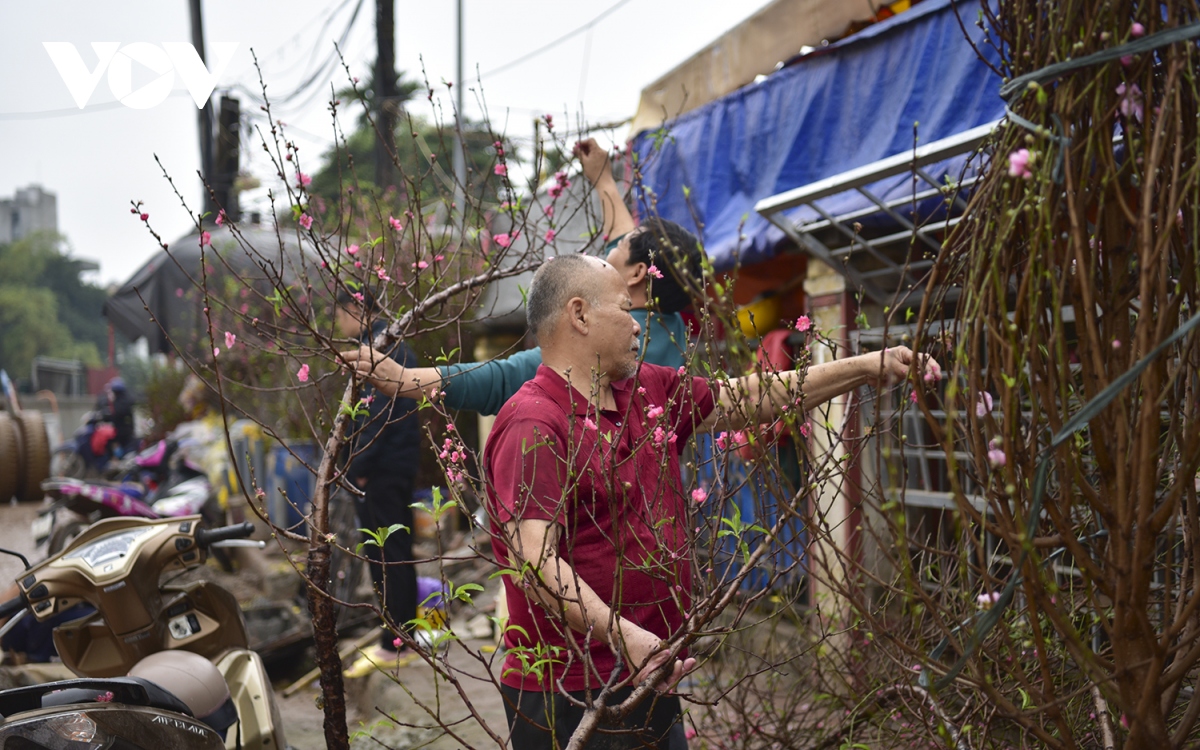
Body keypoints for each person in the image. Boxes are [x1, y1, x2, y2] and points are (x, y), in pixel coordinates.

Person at [346, 254, 939, 748]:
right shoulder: (535, 422)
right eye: (626, 311)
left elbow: (747, 397)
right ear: (579, 315)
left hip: (650, 671)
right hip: (568, 692)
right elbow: (537, 560)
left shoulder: (646, 391)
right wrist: (625, 635)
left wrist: (865, 366)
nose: (638, 325)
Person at [342, 138, 703, 416]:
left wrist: (404, 380)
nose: (614, 242)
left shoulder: (605, 336)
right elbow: (624, 238)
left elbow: (501, 379)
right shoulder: (667, 325)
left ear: (639, 273)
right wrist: (603, 178)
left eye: (623, 245)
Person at [333, 288, 423, 673]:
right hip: (390, 468)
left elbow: (375, 419)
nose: (337, 322)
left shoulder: (379, 351)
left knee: (387, 555)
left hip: (380, 471)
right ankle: (401, 635)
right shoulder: (389, 347)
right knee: (392, 553)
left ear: (357, 308)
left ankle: (397, 640)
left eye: (340, 312)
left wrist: (356, 465)